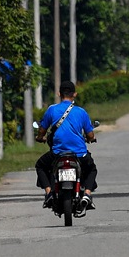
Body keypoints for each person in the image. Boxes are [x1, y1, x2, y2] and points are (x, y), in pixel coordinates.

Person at [35, 81, 98, 211]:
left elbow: (42, 130)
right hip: (79, 154)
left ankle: (48, 192)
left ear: (59, 94)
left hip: (58, 153)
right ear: (74, 94)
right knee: (91, 169)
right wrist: (91, 139)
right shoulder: (81, 112)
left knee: (40, 165)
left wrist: (40, 138)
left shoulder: (52, 110)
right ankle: (87, 194)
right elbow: (90, 135)